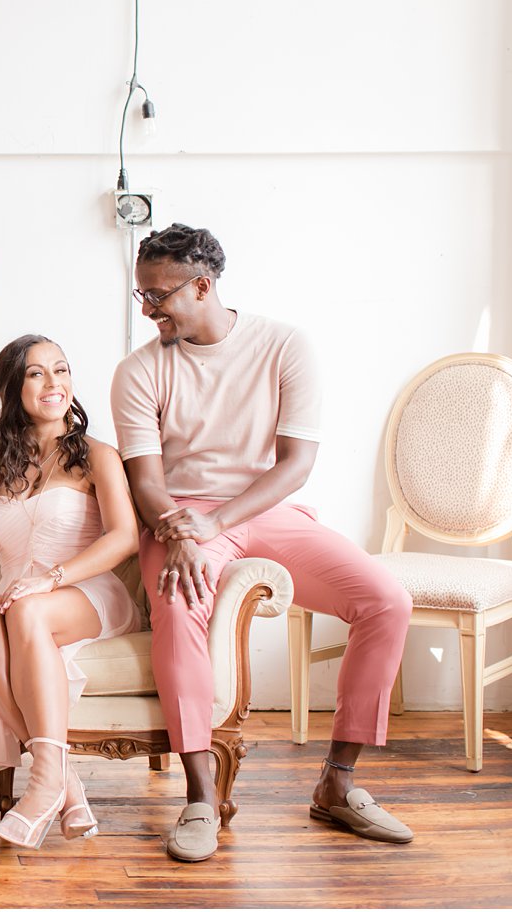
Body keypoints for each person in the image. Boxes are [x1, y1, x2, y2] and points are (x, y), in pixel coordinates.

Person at [110, 223, 414, 862]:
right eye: (141, 295)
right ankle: (198, 797)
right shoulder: (139, 370)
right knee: (177, 604)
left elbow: (295, 464)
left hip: (266, 509)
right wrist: (182, 530)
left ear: (203, 285)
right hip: (180, 514)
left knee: (386, 600)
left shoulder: (284, 345)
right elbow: (145, 478)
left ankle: (338, 782)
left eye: (159, 296)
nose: (148, 309)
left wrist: (219, 525)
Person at [0, 335, 140, 849]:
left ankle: (40, 788)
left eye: (61, 370)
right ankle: (65, 781)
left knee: (29, 611)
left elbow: (124, 537)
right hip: (16, 593)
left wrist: (54, 577)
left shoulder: (98, 456)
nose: (54, 383)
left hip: (84, 591)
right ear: (13, 387)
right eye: (37, 373)